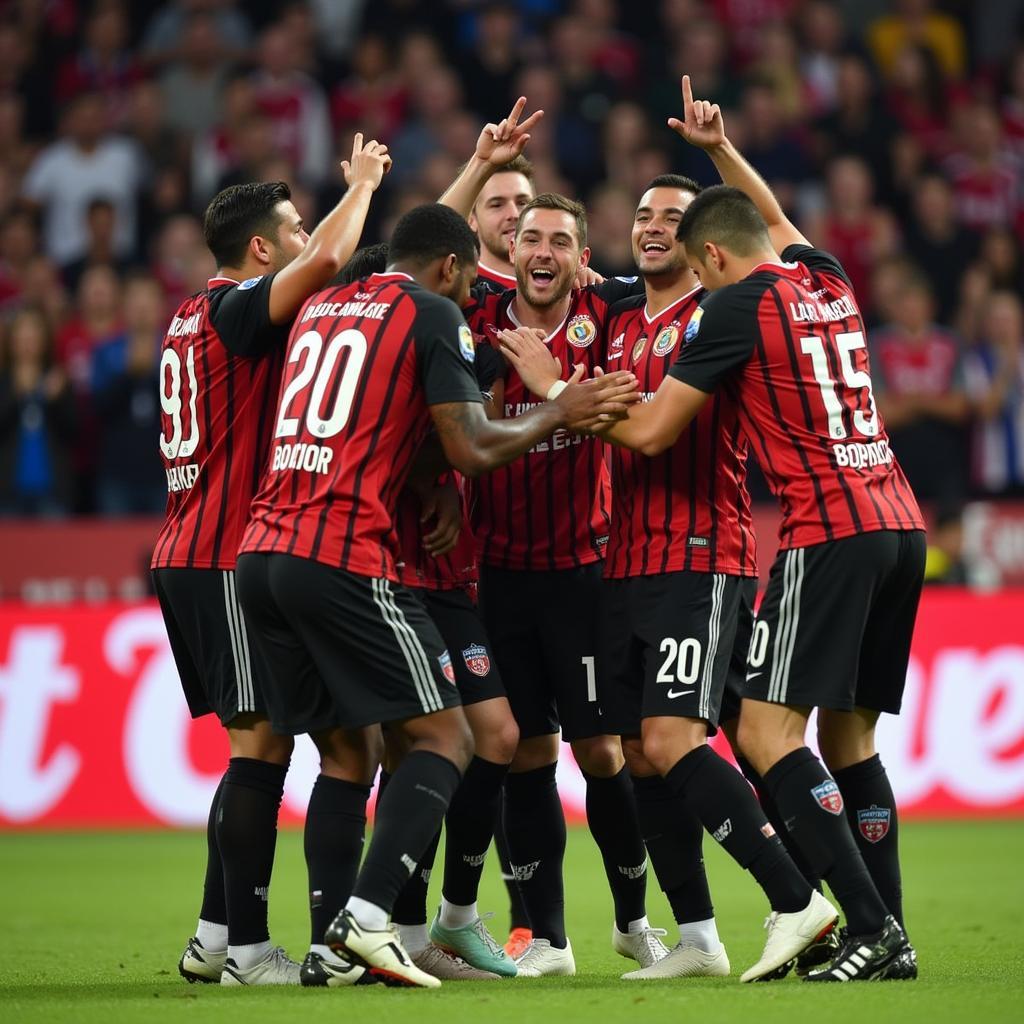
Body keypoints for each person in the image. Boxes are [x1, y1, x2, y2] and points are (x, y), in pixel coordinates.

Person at [234, 203, 640, 989]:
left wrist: (428, 476)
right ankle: (371, 916)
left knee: (348, 754)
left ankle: (328, 946)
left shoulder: (319, 306)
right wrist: (560, 407)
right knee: (447, 739)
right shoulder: (430, 312)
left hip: (262, 551)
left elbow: (371, 418)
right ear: (455, 269)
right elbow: (476, 444)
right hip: (343, 552)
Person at [580, 76, 924, 982]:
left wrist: (553, 392)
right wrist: (722, 152)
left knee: (769, 736)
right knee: (851, 740)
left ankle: (866, 924)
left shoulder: (732, 306)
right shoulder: (827, 280)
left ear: (712, 260)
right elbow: (773, 220)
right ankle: (890, 935)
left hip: (829, 530)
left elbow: (652, 431)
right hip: (899, 520)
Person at [500, 174, 836, 984]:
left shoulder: (714, 316)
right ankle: (698, 936)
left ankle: (800, 901)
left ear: (700, 244)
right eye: (643, 215)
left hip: (700, 555)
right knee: (641, 757)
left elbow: (650, 434)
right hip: (625, 565)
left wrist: (555, 385)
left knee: (676, 740)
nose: (652, 228)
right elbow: (511, 262)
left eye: (672, 220)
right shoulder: (617, 311)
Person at [152, 133, 392, 988]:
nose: (304, 240)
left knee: (256, 747)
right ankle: (250, 951)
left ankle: (217, 932)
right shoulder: (235, 309)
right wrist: (361, 182)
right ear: (260, 249)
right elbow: (329, 255)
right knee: (259, 752)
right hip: (223, 556)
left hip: (187, 549)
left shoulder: (185, 316)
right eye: (289, 230)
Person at [445, 171, 667, 974]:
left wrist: (556, 387)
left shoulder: (611, 315)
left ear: (582, 262)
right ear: (507, 246)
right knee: (527, 754)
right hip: (499, 573)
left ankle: (634, 923)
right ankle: (548, 938)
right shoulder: (472, 320)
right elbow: (414, 262)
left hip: (587, 571)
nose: (542, 249)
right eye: (529, 236)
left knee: (604, 754)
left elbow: (623, 406)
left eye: (560, 242)